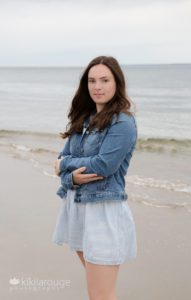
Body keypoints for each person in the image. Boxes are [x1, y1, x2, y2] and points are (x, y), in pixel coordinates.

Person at [52, 55, 138, 300]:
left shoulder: (123, 123)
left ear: (116, 83)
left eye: (104, 80)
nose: (97, 87)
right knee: (98, 291)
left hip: (103, 211)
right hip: (77, 207)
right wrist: (71, 179)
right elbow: (63, 161)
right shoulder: (84, 119)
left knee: (101, 294)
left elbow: (103, 165)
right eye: (91, 81)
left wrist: (65, 165)